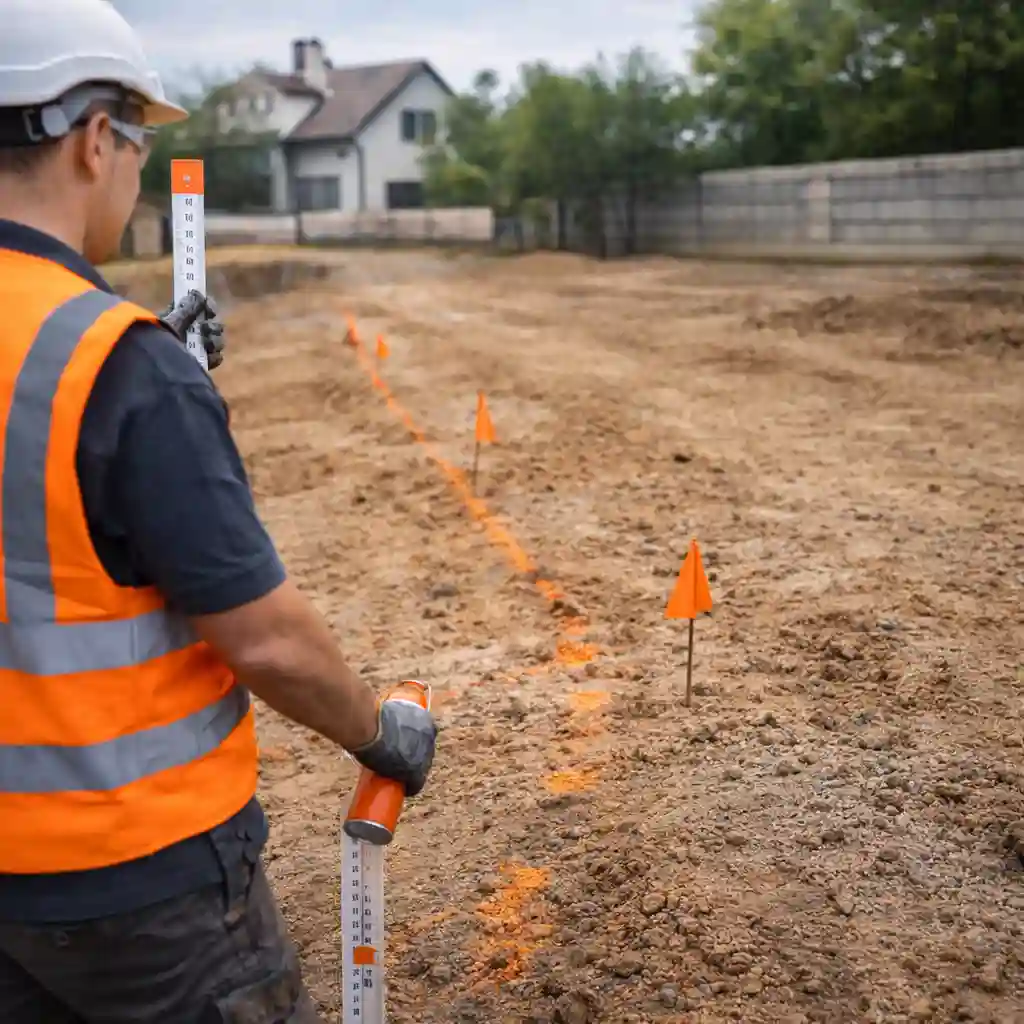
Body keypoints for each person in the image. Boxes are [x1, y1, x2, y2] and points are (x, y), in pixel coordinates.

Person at [0, 1, 438, 1021]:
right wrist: (380, 734)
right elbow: (266, 641)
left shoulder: (114, 362)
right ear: (94, 138)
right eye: (138, 145)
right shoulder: (114, 367)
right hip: (141, 879)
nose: (138, 172)